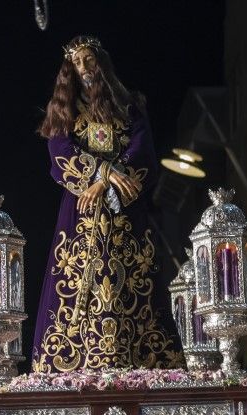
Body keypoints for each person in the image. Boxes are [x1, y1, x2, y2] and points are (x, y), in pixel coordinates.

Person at [31, 35, 179, 372]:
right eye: (77, 62)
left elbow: (142, 150)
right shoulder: (64, 110)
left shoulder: (129, 106)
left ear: (101, 62)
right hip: (82, 214)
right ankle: (73, 361)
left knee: (133, 279)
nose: (84, 67)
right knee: (78, 276)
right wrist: (102, 173)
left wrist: (108, 179)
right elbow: (59, 152)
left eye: (89, 60)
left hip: (124, 211)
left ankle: (143, 362)